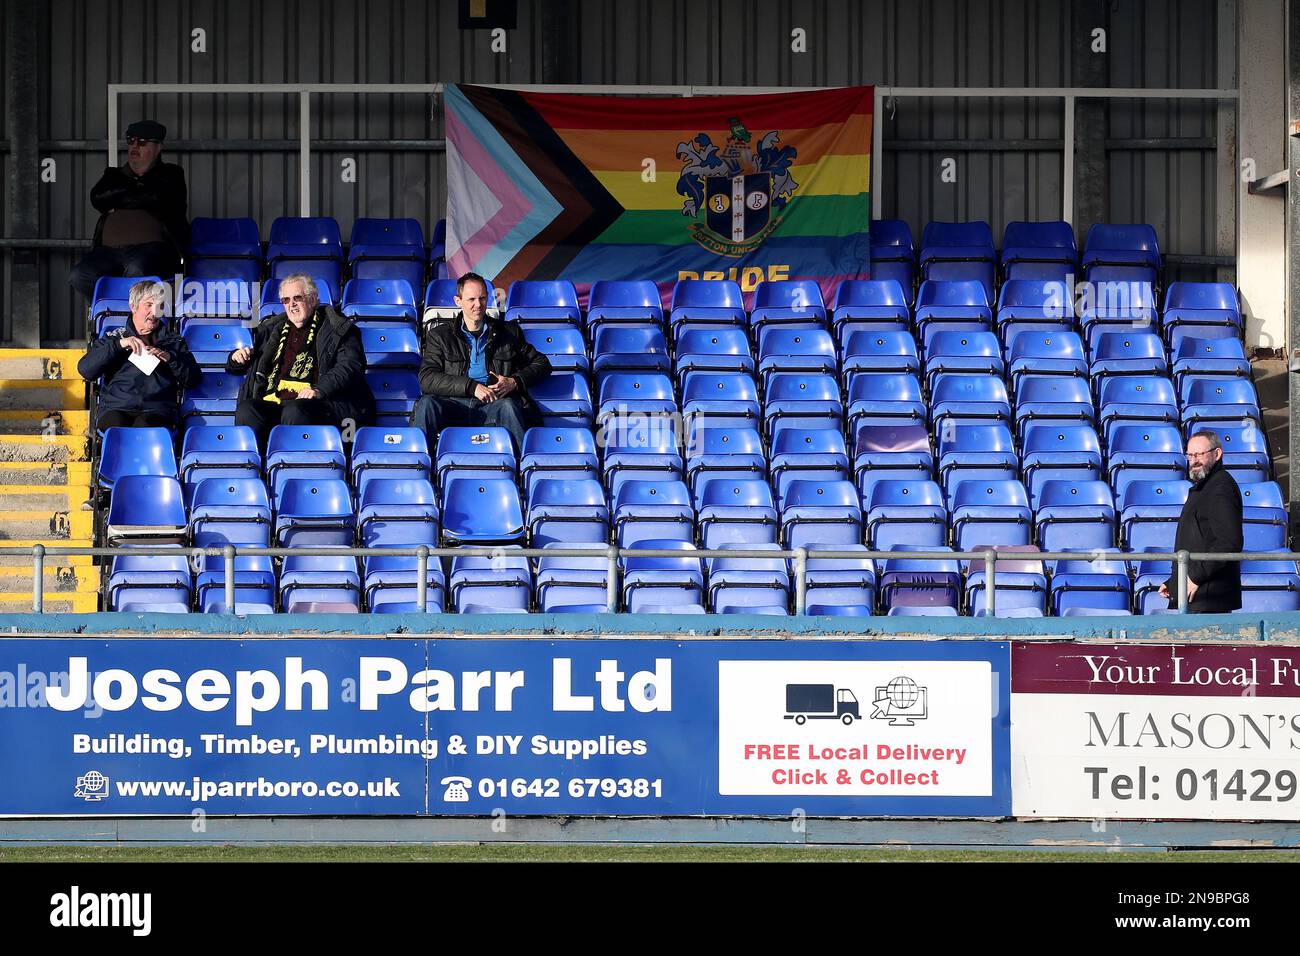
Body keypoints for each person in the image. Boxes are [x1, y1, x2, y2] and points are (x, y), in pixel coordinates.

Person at [227, 273, 374, 448]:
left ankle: (294, 468)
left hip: (324, 403)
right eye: (286, 300)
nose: (292, 305)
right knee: (248, 409)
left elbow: (350, 366)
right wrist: (236, 358)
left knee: (295, 410)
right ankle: (255, 468)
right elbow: (240, 368)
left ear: (312, 299)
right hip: (276, 401)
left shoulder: (338, 328)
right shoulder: (272, 330)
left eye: (297, 298)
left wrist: (319, 389)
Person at [412, 272, 551, 452]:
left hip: (494, 404)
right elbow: (427, 378)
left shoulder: (508, 333)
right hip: (452, 404)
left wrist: (514, 382)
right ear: (458, 301)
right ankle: (418, 465)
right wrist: (471, 387)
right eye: (471, 299)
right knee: (426, 404)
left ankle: (523, 470)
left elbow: (542, 363)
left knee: (509, 406)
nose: (478, 305)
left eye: (482, 298)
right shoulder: (439, 335)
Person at [69, 120, 188, 301]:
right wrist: (140, 194)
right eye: (131, 141)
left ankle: (131, 320)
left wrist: (119, 200)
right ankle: (114, 311)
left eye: (142, 142)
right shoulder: (113, 175)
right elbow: (97, 198)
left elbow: (162, 199)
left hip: (152, 250)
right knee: (79, 275)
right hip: (108, 252)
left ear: (158, 148)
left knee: (137, 271)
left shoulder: (171, 174)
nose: (134, 146)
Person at [78, 279, 200, 431]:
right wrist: (119, 345)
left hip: (157, 410)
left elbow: (193, 379)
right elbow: (85, 369)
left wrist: (170, 358)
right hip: (117, 407)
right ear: (133, 306)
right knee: (116, 428)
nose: (155, 312)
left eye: (160, 306)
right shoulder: (114, 337)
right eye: (149, 305)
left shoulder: (173, 341)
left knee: (145, 428)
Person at [1159, 430, 1244, 613]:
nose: (1194, 460)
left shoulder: (1220, 488)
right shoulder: (1205, 487)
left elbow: (1228, 543)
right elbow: (1199, 539)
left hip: (1209, 598)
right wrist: (1175, 583)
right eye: (1190, 455)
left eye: (1199, 454)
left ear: (1217, 454)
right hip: (1199, 595)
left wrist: (1195, 578)